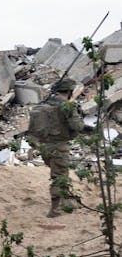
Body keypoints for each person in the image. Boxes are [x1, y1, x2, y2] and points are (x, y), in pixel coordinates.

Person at [34, 79, 84, 217]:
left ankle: (66, 201)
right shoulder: (67, 107)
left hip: (44, 147)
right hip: (59, 146)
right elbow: (77, 127)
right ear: (69, 92)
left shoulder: (45, 104)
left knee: (60, 173)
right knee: (59, 176)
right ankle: (54, 209)